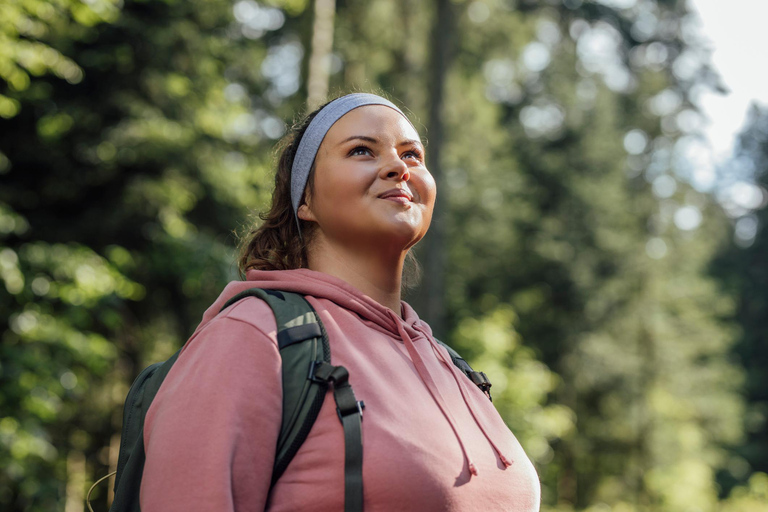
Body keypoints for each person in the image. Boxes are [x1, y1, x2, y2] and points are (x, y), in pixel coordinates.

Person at [140, 93, 541, 511]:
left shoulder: (452, 367)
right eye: (362, 150)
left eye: (412, 154)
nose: (397, 167)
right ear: (305, 201)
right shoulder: (255, 337)